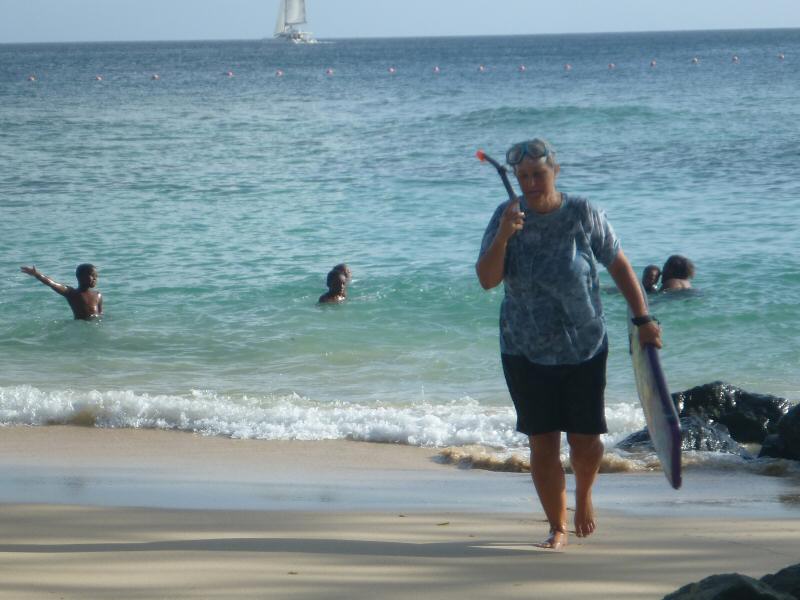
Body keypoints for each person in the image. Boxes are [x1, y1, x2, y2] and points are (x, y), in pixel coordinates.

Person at [475, 138, 661, 551]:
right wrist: (504, 236)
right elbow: (487, 280)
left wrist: (643, 318)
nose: (530, 183)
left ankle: (586, 497)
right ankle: (557, 526)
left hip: (584, 344)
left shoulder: (582, 212)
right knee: (542, 441)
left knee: (586, 439)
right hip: (524, 347)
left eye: (538, 174)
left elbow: (618, 264)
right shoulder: (506, 216)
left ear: (555, 171)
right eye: (523, 177)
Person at [20, 263, 103, 320]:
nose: (95, 278)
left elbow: (100, 313)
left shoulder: (98, 295)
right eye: (92, 275)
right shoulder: (72, 293)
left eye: (96, 276)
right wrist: (37, 275)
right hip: (80, 326)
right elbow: (52, 283)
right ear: (80, 277)